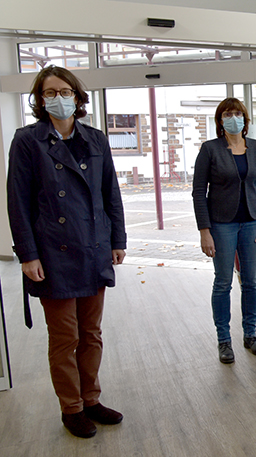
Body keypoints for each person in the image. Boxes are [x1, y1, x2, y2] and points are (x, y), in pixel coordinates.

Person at [7, 66, 127, 438]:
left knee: (91, 332)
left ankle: (91, 398)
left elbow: (111, 193)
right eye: (49, 92)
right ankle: (71, 407)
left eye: (64, 90)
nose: (57, 97)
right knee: (65, 337)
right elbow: (18, 202)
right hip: (53, 252)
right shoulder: (28, 140)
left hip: (93, 247)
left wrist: (117, 239)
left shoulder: (95, 138)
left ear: (77, 96)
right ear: (40, 100)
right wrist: (28, 255)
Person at [192, 98, 256, 364]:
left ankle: (250, 335)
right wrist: (205, 230)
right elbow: (198, 192)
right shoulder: (209, 149)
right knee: (223, 282)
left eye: (238, 114)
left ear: (245, 120)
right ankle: (224, 340)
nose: (233, 118)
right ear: (220, 120)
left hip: (251, 222)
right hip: (221, 225)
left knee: (251, 281)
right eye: (228, 114)